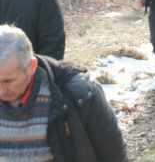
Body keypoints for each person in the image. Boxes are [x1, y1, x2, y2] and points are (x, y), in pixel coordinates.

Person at [0, 24, 128, 161]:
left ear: (32, 66)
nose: (1, 90)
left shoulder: (81, 95)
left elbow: (113, 156)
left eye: (7, 81)